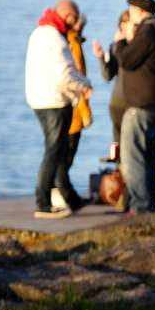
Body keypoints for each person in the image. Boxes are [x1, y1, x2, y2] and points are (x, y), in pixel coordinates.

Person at [25, 0, 93, 218]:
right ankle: (42, 203)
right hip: (54, 101)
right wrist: (83, 84)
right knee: (54, 151)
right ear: (69, 16)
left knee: (58, 149)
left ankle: (69, 198)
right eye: (74, 18)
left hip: (38, 98)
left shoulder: (38, 34)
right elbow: (64, 74)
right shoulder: (55, 39)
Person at [115, 0, 155, 214]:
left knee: (133, 159)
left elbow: (127, 60)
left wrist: (121, 41)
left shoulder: (147, 33)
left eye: (131, 11)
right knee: (149, 157)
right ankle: (149, 204)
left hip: (141, 105)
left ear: (140, 12)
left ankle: (140, 207)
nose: (129, 15)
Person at [63, 13, 93, 206]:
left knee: (62, 152)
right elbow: (77, 79)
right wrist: (85, 113)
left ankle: (60, 191)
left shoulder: (68, 42)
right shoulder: (73, 45)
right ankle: (62, 192)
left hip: (66, 105)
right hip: (73, 110)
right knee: (67, 153)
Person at [92, 10, 131, 148]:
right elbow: (108, 75)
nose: (125, 27)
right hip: (118, 102)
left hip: (135, 102)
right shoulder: (115, 46)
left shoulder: (140, 47)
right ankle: (120, 168)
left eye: (129, 23)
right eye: (123, 23)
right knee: (118, 143)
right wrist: (101, 57)